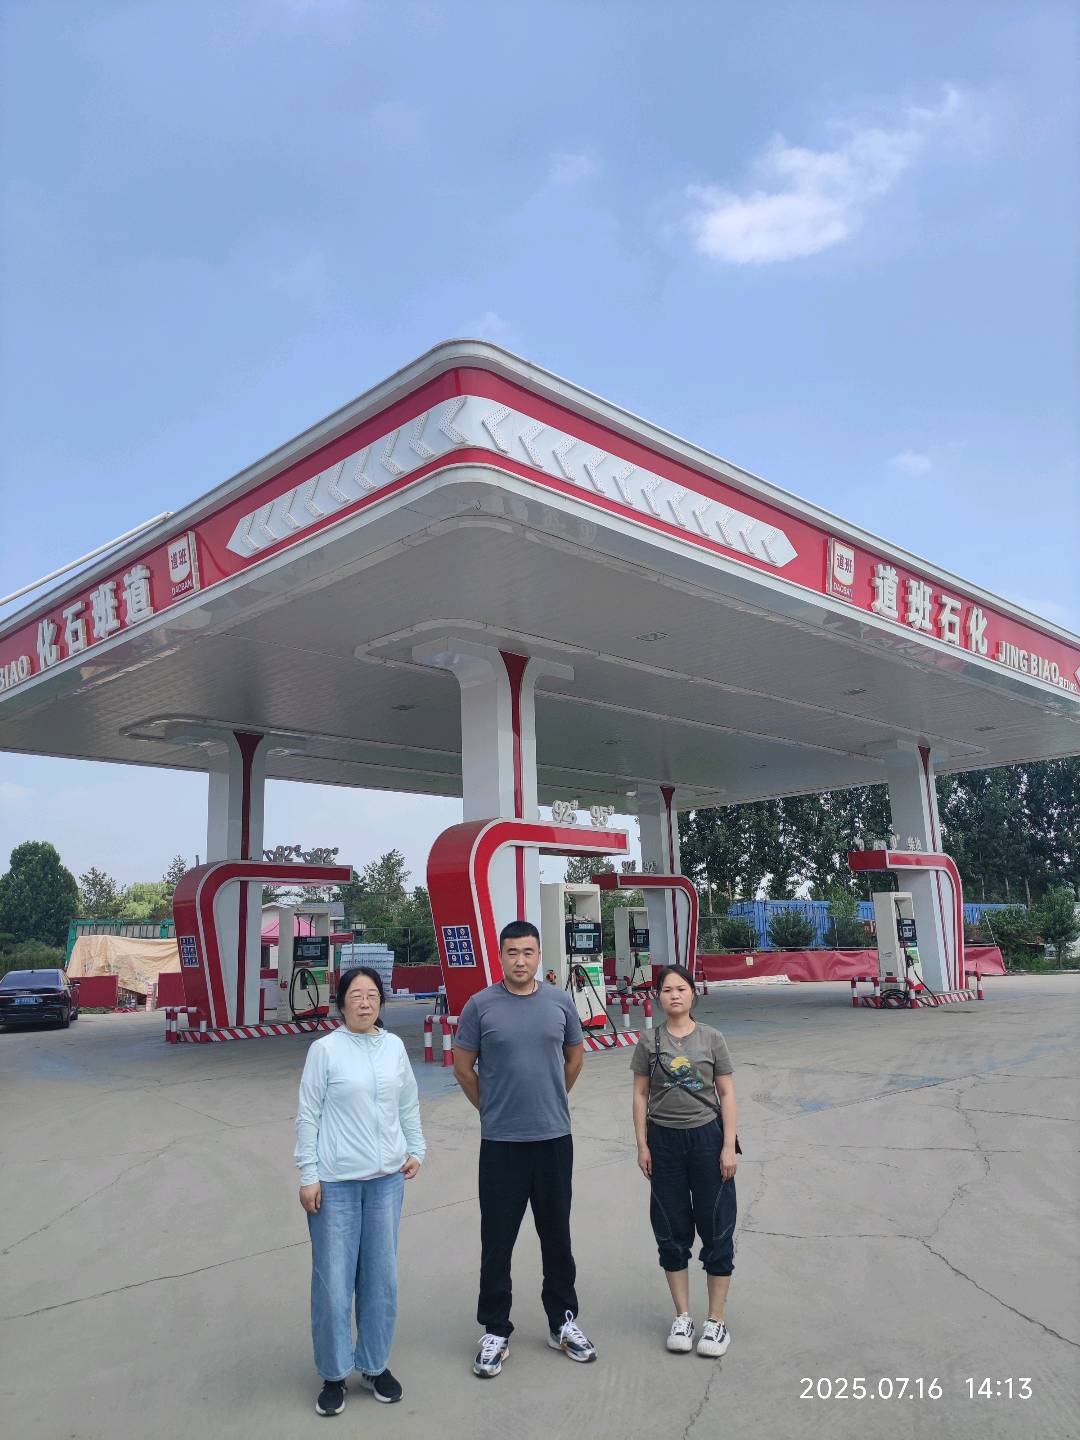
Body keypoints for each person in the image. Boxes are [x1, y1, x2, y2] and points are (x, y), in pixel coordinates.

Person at [453, 919, 597, 1378]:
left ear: (539, 956)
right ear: (501, 956)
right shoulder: (480, 1006)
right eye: (512, 952)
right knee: (497, 1241)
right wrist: (492, 1109)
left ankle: (563, 1322)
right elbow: (463, 1068)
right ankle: (496, 1329)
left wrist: (553, 1098)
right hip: (501, 1144)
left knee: (557, 1237)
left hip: (554, 1139)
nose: (520, 960)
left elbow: (575, 1056)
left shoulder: (559, 1002)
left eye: (528, 952)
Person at [295, 966, 426, 1417]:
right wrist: (308, 1174)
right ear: (341, 1003)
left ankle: (374, 1364)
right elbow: (308, 1115)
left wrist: (416, 1148)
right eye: (356, 995)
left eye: (372, 995)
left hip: (387, 1181)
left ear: (381, 1002)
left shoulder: (393, 1048)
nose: (365, 1003)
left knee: (381, 1279)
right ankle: (334, 1373)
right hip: (336, 1184)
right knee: (333, 1283)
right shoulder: (325, 1051)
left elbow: (407, 1103)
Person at [631, 963, 738, 1358]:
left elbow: (726, 1093)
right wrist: (642, 1145)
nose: (674, 995)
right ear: (657, 996)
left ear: (693, 993)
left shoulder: (712, 1038)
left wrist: (728, 1145)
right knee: (671, 1229)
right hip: (664, 1142)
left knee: (717, 1227)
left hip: (708, 1140)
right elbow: (640, 1095)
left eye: (681, 989)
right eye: (667, 990)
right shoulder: (649, 1041)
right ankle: (683, 1316)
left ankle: (716, 1321)